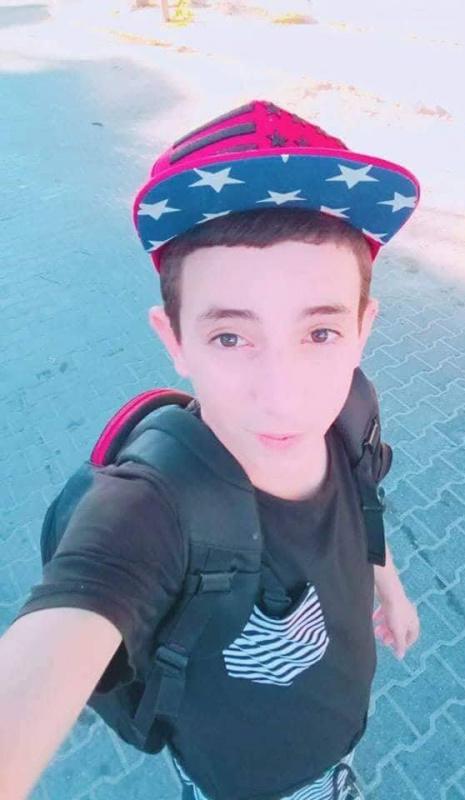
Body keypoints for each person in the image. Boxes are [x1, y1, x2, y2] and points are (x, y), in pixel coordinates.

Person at [0, 99, 421, 800]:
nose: (282, 396)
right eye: (231, 336)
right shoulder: (152, 509)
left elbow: (364, 506)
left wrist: (391, 588)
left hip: (341, 737)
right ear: (174, 341)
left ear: (362, 329)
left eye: (319, 333)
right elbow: (72, 613)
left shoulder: (352, 409)